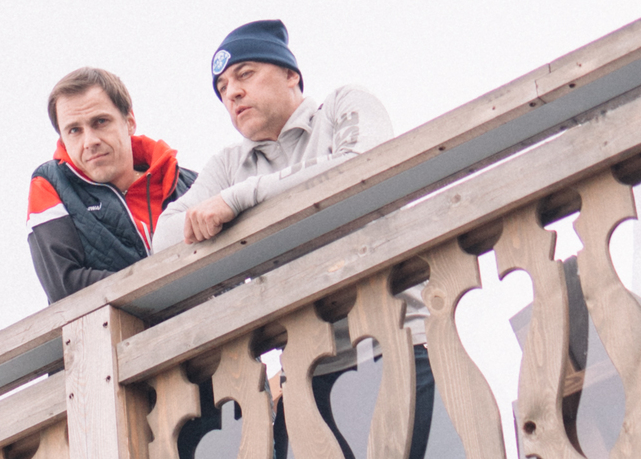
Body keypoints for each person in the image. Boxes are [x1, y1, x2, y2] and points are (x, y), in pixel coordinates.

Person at [153, 20, 391, 249]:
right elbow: (163, 237)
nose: (232, 93)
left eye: (245, 74)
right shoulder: (227, 165)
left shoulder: (343, 103)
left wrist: (241, 198)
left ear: (290, 75)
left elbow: (365, 163)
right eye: (222, 87)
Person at [28, 68, 195, 302]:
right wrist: (162, 284)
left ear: (129, 122)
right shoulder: (50, 184)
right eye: (74, 130)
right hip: (122, 325)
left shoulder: (188, 182)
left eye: (100, 122)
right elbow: (64, 285)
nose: (90, 141)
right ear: (63, 139)